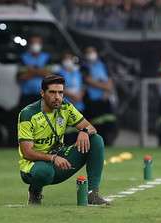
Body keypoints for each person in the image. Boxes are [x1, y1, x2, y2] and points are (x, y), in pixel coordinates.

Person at [17, 75, 108, 205]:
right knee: (44, 172)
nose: (57, 97)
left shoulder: (66, 107)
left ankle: (92, 193)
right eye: (52, 92)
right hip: (35, 166)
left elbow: (90, 127)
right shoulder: (28, 114)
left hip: (60, 160)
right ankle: (35, 191)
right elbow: (27, 152)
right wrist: (53, 158)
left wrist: (84, 131)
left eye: (60, 92)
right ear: (42, 93)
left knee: (96, 140)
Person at [81, 46, 117, 146]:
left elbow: (110, 80)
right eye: (88, 52)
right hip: (92, 100)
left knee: (110, 122)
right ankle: (98, 145)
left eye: (92, 52)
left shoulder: (103, 65)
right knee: (97, 124)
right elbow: (88, 80)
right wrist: (104, 87)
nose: (91, 54)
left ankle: (109, 144)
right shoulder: (85, 67)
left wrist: (107, 90)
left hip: (105, 98)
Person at [56, 52, 85, 144]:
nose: (67, 61)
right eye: (65, 58)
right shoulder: (58, 73)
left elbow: (82, 86)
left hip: (78, 105)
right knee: (65, 131)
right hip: (63, 106)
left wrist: (80, 95)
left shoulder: (78, 73)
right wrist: (71, 95)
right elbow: (56, 87)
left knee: (78, 128)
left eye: (69, 58)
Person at [17, 35, 52, 109]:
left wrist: (31, 71)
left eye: (38, 43)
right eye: (33, 43)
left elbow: (49, 76)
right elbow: (21, 77)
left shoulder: (47, 58)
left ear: (41, 44)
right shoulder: (23, 57)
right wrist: (40, 71)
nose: (36, 45)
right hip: (26, 95)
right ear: (29, 44)